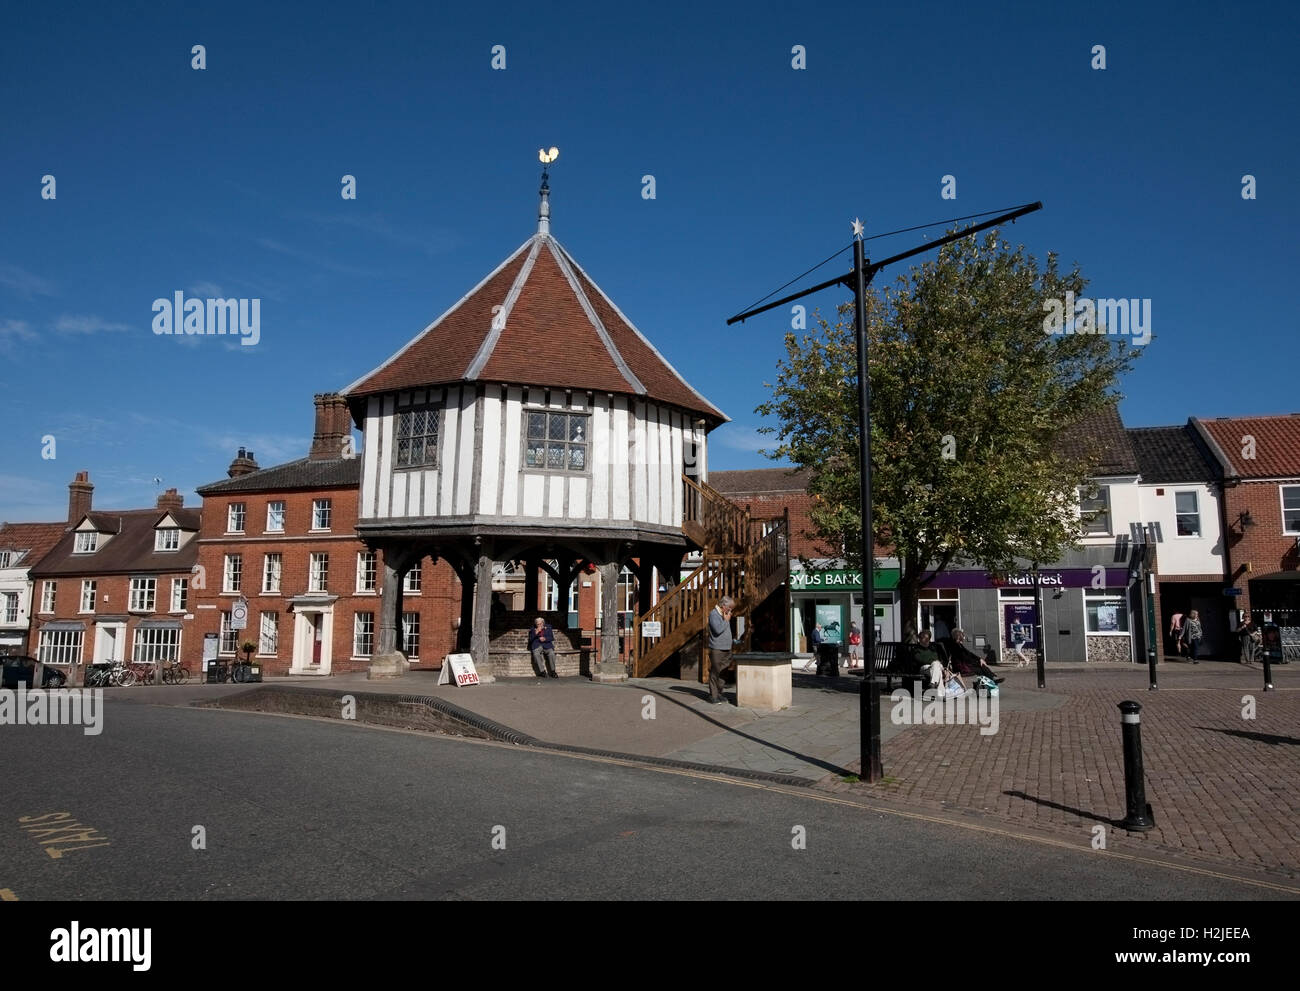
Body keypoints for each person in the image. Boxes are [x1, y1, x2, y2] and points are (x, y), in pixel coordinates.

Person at [708, 596, 735, 704]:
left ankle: (719, 693)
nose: (730, 611)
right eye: (729, 608)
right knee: (715, 672)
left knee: (724, 673)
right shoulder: (714, 614)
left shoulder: (724, 614)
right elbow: (718, 630)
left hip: (727, 648)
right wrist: (727, 620)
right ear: (723, 606)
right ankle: (713, 696)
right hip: (717, 648)